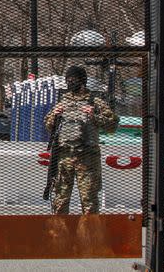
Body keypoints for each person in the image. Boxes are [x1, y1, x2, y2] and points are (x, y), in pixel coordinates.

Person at [44, 64, 118, 214]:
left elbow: (112, 126)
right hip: (64, 157)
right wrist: (54, 116)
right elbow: (48, 125)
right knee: (60, 201)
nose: (71, 82)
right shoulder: (62, 101)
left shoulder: (95, 101)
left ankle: (90, 235)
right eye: (68, 79)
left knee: (89, 201)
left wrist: (94, 116)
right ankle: (60, 236)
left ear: (82, 80)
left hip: (87, 157)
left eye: (74, 79)